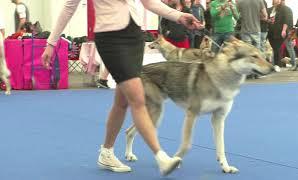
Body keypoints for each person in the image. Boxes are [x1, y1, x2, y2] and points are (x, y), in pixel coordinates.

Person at [42, 0, 202, 176]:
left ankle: (106, 152)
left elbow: (150, 3)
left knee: (122, 102)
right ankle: (161, 157)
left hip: (134, 37)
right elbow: (69, 7)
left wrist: (179, 16)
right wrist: (51, 43)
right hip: (110, 38)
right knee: (138, 98)